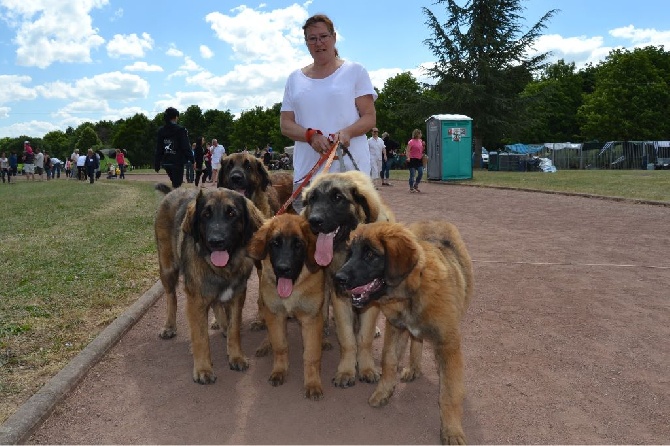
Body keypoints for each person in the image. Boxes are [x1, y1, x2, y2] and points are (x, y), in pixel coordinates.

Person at [280, 13, 377, 212]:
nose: (319, 43)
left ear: (334, 37)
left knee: (354, 235)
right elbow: (286, 124)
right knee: (309, 235)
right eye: (312, 39)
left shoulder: (355, 71)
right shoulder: (294, 79)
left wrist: (347, 133)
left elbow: (369, 117)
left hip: (349, 174)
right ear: (306, 43)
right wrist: (310, 135)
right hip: (307, 174)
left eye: (323, 36)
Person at [154, 107, 194, 188]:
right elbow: (185, 146)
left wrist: (157, 163)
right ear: (175, 117)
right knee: (177, 185)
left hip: (166, 161)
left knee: (175, 183)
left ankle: (172, 195)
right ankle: (173, 198)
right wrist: (192, 160)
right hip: (177, 162)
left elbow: (159, 148)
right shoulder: (181, 130)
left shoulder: (161, 131)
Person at [406, 128, 425, 193]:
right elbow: (407, 150)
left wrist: (423, 153)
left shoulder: (420, 141)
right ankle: (411, 187)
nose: (421, 134)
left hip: (419, 159)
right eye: (420, 133)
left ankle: (416, 184)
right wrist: (408, 157)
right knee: (412, 174)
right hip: (412, 159)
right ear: (417, 134)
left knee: (421, 172)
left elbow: (421, 150)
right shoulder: (411, 142)